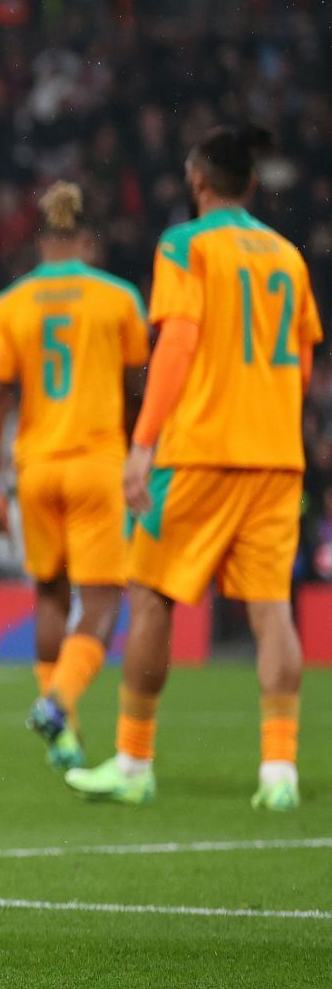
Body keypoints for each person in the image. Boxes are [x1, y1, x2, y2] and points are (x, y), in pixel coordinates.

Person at [69, 125, 321, 809]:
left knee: (151, 596)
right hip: (275, 456)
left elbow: (176, 344)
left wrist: (143, 443)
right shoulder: (289, 257)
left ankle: (133, 761)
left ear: (197, 180)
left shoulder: (185, 245)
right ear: (253, 183)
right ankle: (279, 772)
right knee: (272, 610)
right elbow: (300, 366)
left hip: (198, 452)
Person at [0, 182, 147, 771]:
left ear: (41, 238)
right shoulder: (119, 299)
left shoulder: (10, 303)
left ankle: (65, 738)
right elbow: (136, 388)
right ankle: (60, 702)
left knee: (50, 593)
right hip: (98, 465)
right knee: (101, 599)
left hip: (36, 467)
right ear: (89, 240)